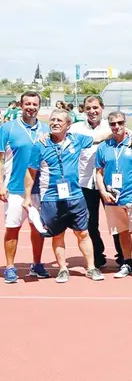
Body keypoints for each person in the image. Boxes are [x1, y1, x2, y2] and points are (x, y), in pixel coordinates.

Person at [23, 109, 114, 282]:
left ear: (68, 125)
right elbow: (31, 172)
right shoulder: (40, 144)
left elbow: (99, 137)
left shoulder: (77, 139)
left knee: (83, 233)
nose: (55, 123)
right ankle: (63, 269)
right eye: (52, 120)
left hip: (75, 196)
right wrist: (27, 196)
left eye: (59, 120)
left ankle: (91, 268)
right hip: (50, 198)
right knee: (58, 235)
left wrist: (130, 133)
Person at [71, 95, 132, 269]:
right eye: (88, 108)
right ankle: (97, 255)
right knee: (90, 223)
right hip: (85, 182)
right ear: (83, 110)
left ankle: (123, 256)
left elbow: (131, 134)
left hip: (110, 184)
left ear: (102, 108)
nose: (92, 111)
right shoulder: (76, 128)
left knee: (117, 222)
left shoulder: (113, 125)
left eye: (95, 108)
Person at [95, 111, 132, 283]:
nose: (117, 127)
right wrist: (103, 192)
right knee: (122, 232)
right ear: (109, 125)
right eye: (113, 124)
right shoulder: (104, 147)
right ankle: (127, 263)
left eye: (120, 123)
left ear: (125, 123)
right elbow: (98, 173)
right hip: (113, 199)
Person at [0, 91, 50, 283]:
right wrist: (1, 185)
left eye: (34, 104)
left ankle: (37, 264)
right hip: (15, 189)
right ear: (21, 105)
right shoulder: (8, 128)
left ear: (39, 106)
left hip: (40, 190)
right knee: (12, 228)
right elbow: (1, 160)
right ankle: (10, 267)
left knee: (38, 229)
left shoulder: (46, 129)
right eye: (27, 103)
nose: (31, 107)